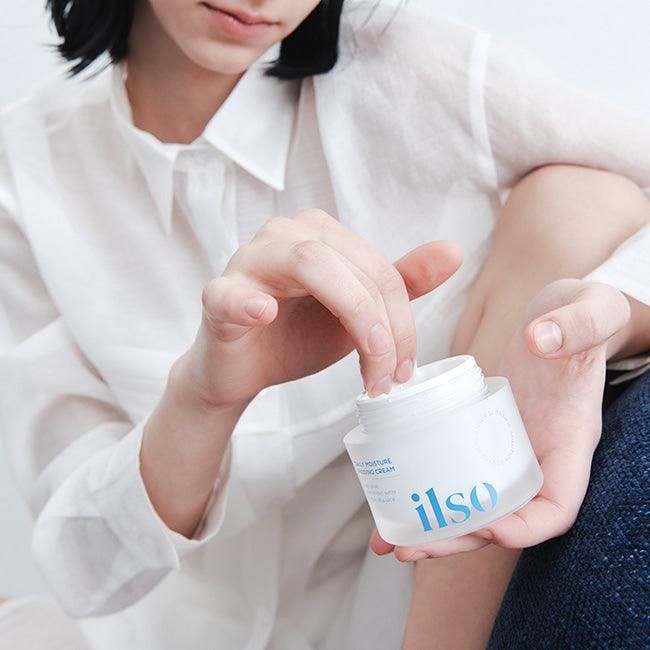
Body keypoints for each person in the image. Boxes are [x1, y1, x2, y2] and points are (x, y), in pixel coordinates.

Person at [0, 1, 648, 648]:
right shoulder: (26, 166)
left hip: (411, 612)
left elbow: (597, 212)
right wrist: (204, 396)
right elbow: (85, 569)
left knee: (582, 199)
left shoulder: (416, 71)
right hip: (161, 629)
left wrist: (607, 319)